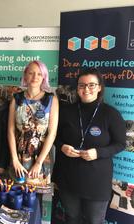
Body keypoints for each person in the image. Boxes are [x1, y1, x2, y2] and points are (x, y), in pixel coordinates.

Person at [52, 68, 125, 224]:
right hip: (68, 178)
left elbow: (120, 144)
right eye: (82, 85)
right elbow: (54, 138)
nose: (86, 89)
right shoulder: (65, 112)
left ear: (99, 87)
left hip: (96, 182)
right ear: (77, 88)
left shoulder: (111, 114)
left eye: (91, 85)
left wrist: (98, 153)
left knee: (94, 221)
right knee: (72, 218)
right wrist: (62, 146)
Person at [7, 60, 58, 186]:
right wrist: (14, 159)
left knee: (35, 199)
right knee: (16, 194)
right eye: (31, 73)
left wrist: (39, 162)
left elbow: (52, 133)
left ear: (44, 77)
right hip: (18, 155)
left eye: (39, 74)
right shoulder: (16, 99)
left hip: (41, 155)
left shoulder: (51, 99)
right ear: (25, 75)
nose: (35, 77)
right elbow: (10, 130)